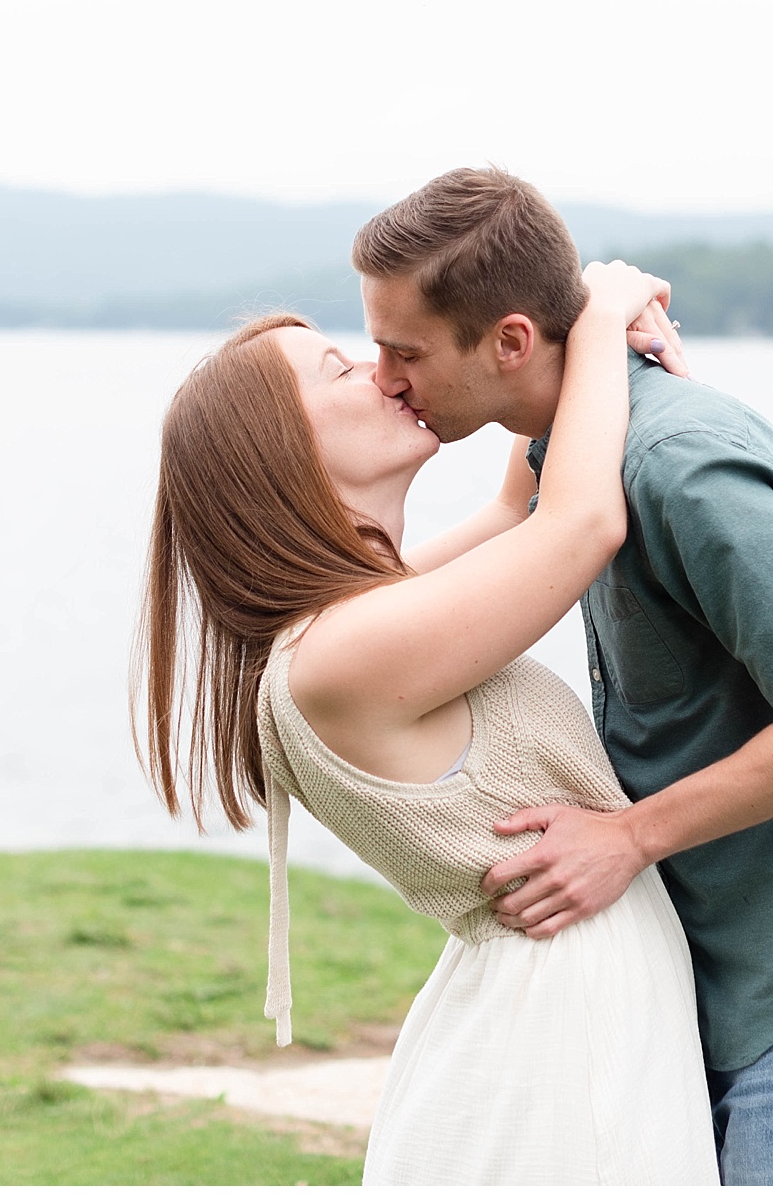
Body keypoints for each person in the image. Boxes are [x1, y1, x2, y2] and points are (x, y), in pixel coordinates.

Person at [354, 168, 773, 1185]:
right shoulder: (569, 459)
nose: (383, 377)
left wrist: (627, 836)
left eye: (402, 350)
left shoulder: (676, 465)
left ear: (509, 341)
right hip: (734, 984)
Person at [137, 250, 717, 1184]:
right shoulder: (340, 655)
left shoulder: (368, 618)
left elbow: (522, 503)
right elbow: (578, 526)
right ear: (283, 449)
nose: (385, 373)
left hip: (559, 1011)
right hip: (558, 1034)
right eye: (344, 369)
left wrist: (547, 321)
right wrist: (601, 319)